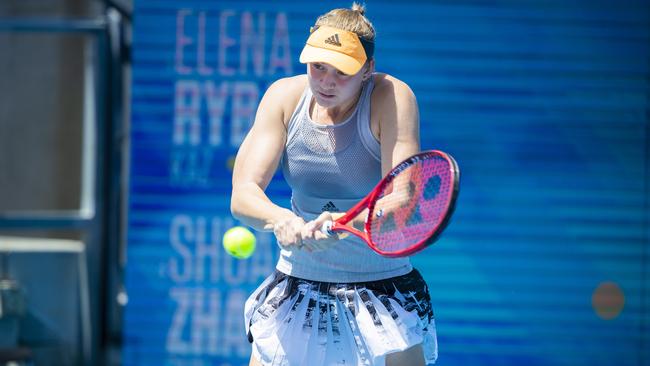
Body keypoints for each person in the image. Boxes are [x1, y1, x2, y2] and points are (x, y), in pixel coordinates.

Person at [231, 3, 437, 365]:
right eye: (318, 67)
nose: (326, 81)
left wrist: (346, 222)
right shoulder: (283, 96)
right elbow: (244, 194)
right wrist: (282, 220)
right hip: (296, 285)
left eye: (342, 71)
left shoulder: (392, 96)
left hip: (382, 286)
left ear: (368, 70)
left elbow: (403, 199)